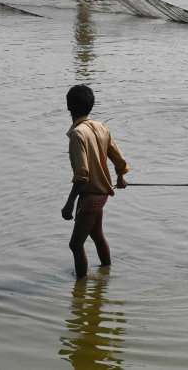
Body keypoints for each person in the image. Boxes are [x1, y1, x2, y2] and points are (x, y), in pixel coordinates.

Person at [61, 84, 129, 278]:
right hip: (102, 194)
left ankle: (80, 286)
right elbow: (117, 156)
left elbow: (82, 174)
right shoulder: (100, 126)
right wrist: (120, 176)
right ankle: (106, 272)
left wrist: (69, 203)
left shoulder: (77, 134)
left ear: (68, 107)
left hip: (91, 196)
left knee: (75, 245)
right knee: (97, 234)